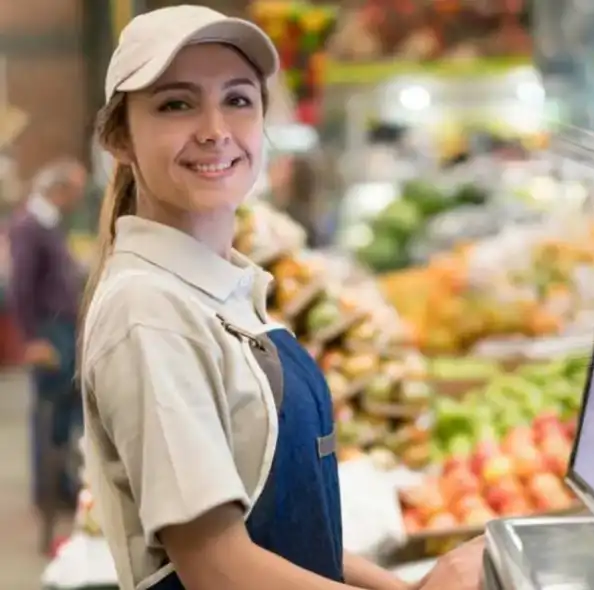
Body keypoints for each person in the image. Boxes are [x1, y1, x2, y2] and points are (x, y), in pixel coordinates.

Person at [79, 6, 484, 590]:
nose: (215, 128)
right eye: (176, 103)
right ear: (119, 137)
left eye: (238, 99)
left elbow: (283, 539)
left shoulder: (225, 289)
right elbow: (217, 566)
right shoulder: (150, 310)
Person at [8, 156, 88, 552]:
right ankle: (48, 491)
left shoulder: (49, 224)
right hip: (48, 332)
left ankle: (62, 485)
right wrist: (30, 339)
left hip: (63, 328)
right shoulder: (29, 226)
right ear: (59, 189)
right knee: (49, 414)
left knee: (66, 412)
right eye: (74, 190)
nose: (77, 198)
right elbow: (20, 286)